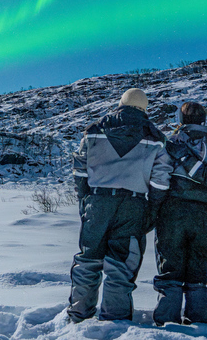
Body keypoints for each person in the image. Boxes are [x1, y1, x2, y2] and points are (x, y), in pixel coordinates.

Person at [68, 88, 173, 323]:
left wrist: (86, 199)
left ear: (120, 104)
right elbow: (160, 179)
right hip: (133, 205)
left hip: (97, 202)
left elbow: (80, 168)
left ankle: (79, 316)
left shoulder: (94, 130)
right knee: (121, 265)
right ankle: (114, 322)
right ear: (144, 108)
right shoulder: (155, 138)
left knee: (88, 261)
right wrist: (153, 209)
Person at [152, 102, 207, 326]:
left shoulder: (171, 142)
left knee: (170, 268)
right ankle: (199, 320)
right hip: (203, 214)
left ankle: (166, 321)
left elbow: (160, 173)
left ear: (179, 119)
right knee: (198, 270)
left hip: (172, 212)